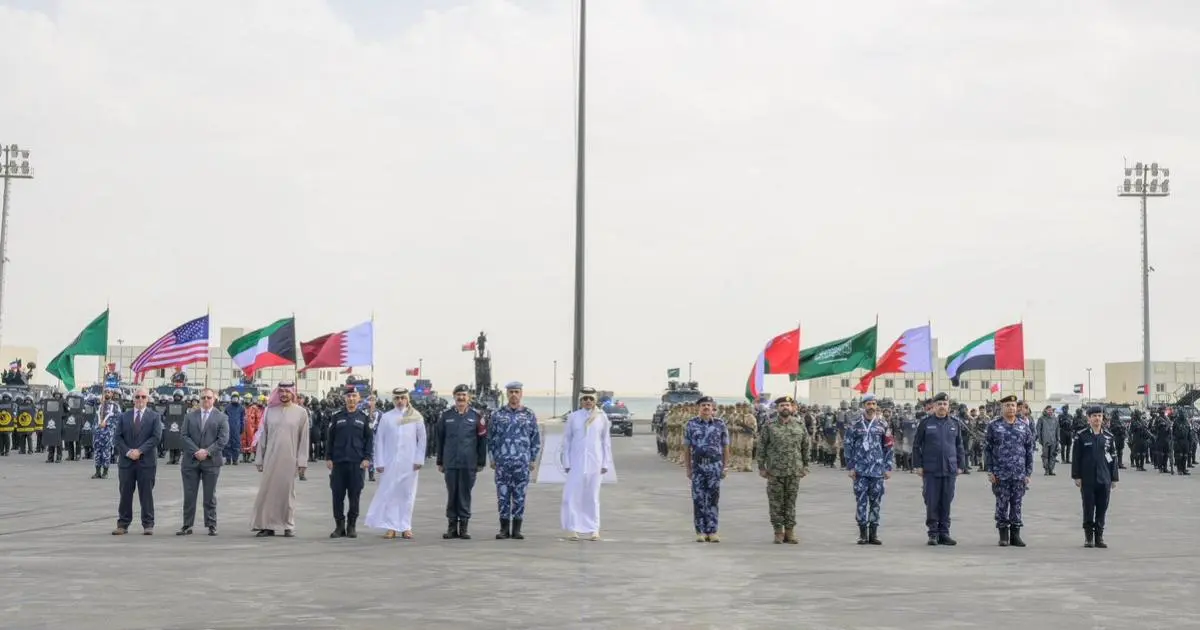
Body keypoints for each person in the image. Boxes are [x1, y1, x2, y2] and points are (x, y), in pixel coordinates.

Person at [249, 382, 310, 538]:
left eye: (287, 391)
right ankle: (267, 526)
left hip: (290, 459)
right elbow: (263, 436)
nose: (284, 394)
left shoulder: (301, 413)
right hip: (270, 458)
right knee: (268, 493)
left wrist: (302, 462)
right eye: (281, 391)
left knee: (287, 494)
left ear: (292, 393)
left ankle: (287, 525)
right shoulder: (270, 412)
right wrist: (259, 459)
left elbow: (304, 440)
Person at [365, 388, 426, 539]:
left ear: (407, 399)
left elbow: (422, 439)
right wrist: (379, 462)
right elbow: (379, 440)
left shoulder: (415, 416)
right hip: (390, 461)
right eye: (397, 398)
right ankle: (391, 526)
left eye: (402, 398)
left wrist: (419, 459)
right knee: (390, 493)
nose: (400, 401)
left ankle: (406, 526)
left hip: (409, 462)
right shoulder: (387, 417)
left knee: (407, 494)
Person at [488, 382, 541, 540]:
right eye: (511, 392)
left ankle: (517, 529)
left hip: (522, 462)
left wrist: (532, 459)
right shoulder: (497, 414)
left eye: (516, 392)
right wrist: (492, 458)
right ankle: (504, 529)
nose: (513, 395)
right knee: (503, 497)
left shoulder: (529, 414)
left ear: (521, 394)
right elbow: (491, 439)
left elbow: (535, 439)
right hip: (502, 463)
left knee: (519, 496)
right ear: (507, 394)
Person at [756, 395, 811, 544]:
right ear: (777, 408)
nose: (785, 407)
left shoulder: (799, 425)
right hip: (775, 471)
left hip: (794, 470)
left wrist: (806, 466)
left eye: (787, 405)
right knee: (775, 502)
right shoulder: (769, 425)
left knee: (790, 503)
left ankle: (790, 531)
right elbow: (761, 447)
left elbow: (805, 447)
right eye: (782, 405)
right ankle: (778, 531)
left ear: (792, 408)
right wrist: (761, 467)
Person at [913, 392, 966, 546]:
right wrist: (918, 465)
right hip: (931, 469)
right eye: (939, 404)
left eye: (944, 404)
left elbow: (959, 445)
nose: (942, 407)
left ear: (948, 406)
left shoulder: (954, 423)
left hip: (949, 469)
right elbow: (917, 445)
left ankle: (944, 533)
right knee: (932, 501)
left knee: (946, 501)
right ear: (934, 406)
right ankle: (933, 533)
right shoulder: (926, 423)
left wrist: (961, 465)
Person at [560, 386, 613, 541]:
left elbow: (605, 442)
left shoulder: (602, 417)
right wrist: (566, 462)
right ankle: (573, 528)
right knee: (572, 496)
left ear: (595, 400)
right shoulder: (573, 417)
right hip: (576, 462)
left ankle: (594, 529)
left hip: (595, 462)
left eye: (591, 398)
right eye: (585, 399)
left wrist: (605, 463)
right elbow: (567, 441)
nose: (588, 401)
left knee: (593, 496)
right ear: (580, 401)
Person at [436, 384, 487, 540]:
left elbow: (482, 441)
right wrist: (440, 461)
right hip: (450, 462)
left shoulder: (477, 416)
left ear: (469, 397)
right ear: (454, 396)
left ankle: (463, 527)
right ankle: (452, 527)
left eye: (464, 395)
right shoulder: (445, 416)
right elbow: (440, 439)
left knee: (464, 494)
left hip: (468, 462)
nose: (461, 398)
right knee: (452, 494)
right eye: (458, 395)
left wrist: (481, 461)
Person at [984, 395, 1035, 547]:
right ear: (1002, 408)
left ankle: (1015, 534)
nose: (1011, 408)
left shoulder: (1023, 426)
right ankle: (1003, 535)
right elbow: (987, 450)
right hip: (1001, 473)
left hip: (1019, 473)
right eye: (1008, 405)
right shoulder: (994, 426)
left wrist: (1028, 473)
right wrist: (990, 471)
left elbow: (1029, 450)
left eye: (1013, 405)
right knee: (1002, 504)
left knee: (1017, 504)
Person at [177, 388, 229, 536]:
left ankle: (211, 524)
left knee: (209, 495)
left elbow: (223, 439)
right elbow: (184, 436)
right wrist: (196, 451)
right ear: (199, 399)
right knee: (189, 495)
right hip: (190, 461)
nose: (206, 400)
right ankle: (187, 525)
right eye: (203, 398)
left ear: (214, 399)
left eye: (209, 397)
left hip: (211, 461)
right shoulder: (190, 416)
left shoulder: (221, 417)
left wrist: (206, 452)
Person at [112, 388, 162, 535]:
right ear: (133, 399)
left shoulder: (154, 417)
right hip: (127, 462)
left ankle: (148, 524)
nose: (140, 399)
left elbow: (156, 437)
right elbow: (117, 437)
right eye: (137, 396)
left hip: (146, 461)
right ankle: (123, 524)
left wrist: (139, 451)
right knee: (125, 493)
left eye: (143, 396)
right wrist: (128, 452)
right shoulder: (124, 416)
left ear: (148, 399)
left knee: (146, 493)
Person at [844, 393, 893, 546]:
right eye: (868, 404)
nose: (871, 407)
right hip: (860, 470)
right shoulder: (854, 424)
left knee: (876, 501)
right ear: (863, 406)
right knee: (861, 502)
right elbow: (848, 446)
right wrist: (850, 467)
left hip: (877, 470)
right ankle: (862, 534)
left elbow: (889, 446)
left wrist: (888, 466)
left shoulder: (883, 425)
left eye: (873, 404)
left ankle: (874, 534)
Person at [325, 386, 373, 538]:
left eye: (354, 396)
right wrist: (328, 457)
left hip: (356, 463)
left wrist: (367, 458)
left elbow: (369, 440)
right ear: (344, 398)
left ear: (358, 398)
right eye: (348, 396)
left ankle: (351, 526)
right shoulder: (337, 417)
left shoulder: (364, 418)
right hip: (339, 462)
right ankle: (339, 526)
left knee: (354, 496)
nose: (351, 399)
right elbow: (330, 439)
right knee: (337, 496)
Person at [683, 396, 729, 542]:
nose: (706, 407)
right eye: (703, 405)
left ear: (713, 408)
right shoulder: (691, 424)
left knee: (713, 499)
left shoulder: (720, 424)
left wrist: (725, 466)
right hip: (698, 466)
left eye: (709, 405)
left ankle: (713, 530)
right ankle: (700, 531)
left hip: (715, 466)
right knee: (698, 499)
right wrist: (688, 468)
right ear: (699, 408)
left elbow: (726, 446)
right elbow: (686, 448)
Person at [1072, 406, 1118, 548]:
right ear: (1088, 418)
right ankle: (1088, 537)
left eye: (1099, 415)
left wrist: (1114, 477)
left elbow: (1113, 458)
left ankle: (1099, 536)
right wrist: (1077, 476)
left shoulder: (1108, 437)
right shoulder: (1081, 436)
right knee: (1088, 507)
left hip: (1104, 479)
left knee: (1102, 508)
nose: (1097, 418)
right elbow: (1076, 458)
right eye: (1094, 416)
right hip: (1088, 479)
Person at [92, 390, 121, 479]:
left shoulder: (115, 406)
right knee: (97, 452)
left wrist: (107, 423)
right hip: (98, 433)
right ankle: (97, 472)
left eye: (109, 392)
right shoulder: (99, 405)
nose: (107, 394)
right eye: (105, 392)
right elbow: (95, 418)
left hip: (107, 432)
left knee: (106, 452)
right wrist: (95, 428)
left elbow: (118, 418)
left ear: (112, 394)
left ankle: (105, 472)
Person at [1034, 405, 1059, 475]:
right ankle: (1046, 470)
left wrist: (1058, 440)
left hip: (1053, 440)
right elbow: (1038, 430)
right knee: (1045, 455)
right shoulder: (1041, 419)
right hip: (1045, 440)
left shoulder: (1055, 419)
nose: (1050, 411)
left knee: (1053, 455)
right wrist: (1040, 439)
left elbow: (1057, 430)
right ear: (1045, 410)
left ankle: (1051, 470)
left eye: (1051, 410)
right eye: (1049, 410)